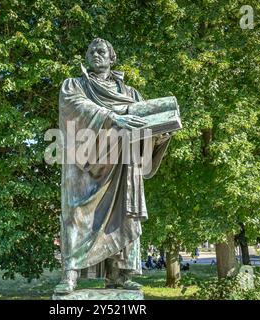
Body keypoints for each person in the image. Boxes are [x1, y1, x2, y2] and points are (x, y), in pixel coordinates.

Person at [54, 38, 174, 294]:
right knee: (76, 214)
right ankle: (70, 274)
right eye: (91, 51)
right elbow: (75, 107)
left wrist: (161, 133)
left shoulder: (130, 93)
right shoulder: (74, 85)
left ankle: (118, 276)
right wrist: (113, 117)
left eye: (101, 51)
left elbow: (144, 124)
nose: (95, 55)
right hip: (84, 165)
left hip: (123, 163)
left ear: (112, 58)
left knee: (123, 216)